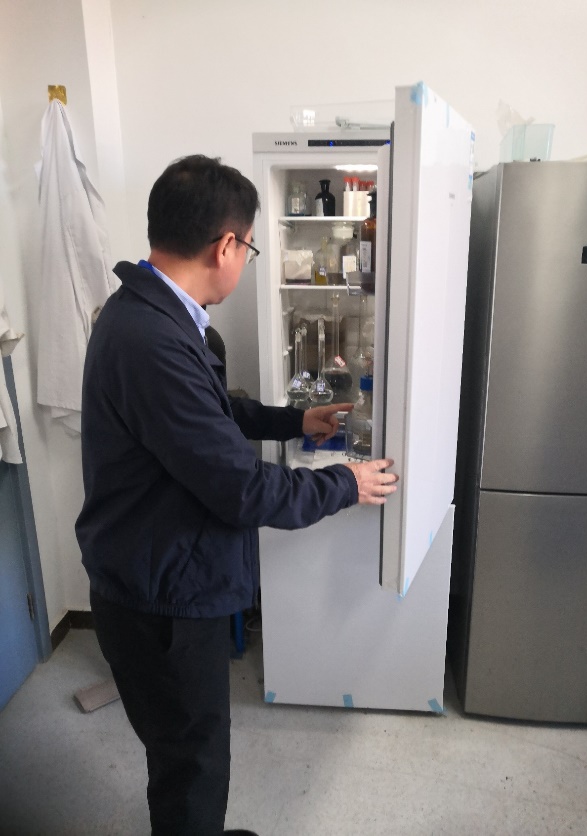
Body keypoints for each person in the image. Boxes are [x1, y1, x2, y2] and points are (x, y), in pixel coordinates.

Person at [75, 154, 397, 836]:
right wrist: (344, 483)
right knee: (190, 762)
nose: (245, 261)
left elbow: (208, 416)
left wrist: (293, 421)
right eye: (249, 248)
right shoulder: (152, 340)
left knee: (188, 751)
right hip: (161, 597)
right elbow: (243, 490)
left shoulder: (150, 314)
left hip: (155, 571)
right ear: (225, 245)